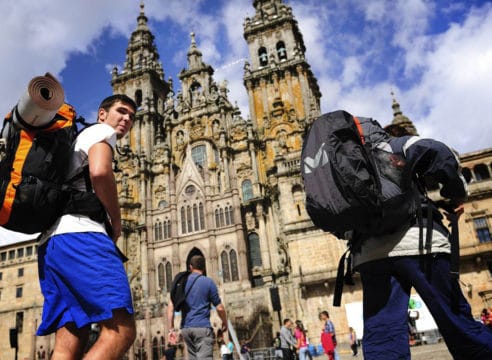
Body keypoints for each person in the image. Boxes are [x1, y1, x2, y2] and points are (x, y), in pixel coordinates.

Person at [352, 127, 492, 359]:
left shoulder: (356, 161)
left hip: (370, 255)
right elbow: (440, 153)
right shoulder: (397, 144)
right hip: (420, 244)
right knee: (458, 323)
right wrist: (455, 193)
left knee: (383, 336)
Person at [36, 94, 137, 359]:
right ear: (102, 114)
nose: (126, 119)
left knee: (68, 341)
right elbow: (101, 172)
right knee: (120, 331)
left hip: (52, 245)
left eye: (132, 117)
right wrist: (116, 220)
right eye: (121, 111)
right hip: (82, 237)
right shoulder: (101, 132)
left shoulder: (75, 142)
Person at [167, 255, 228, 360]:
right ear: (204, 268)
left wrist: (171, 329)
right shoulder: (209, 282)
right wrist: (224, 321)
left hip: (186, 329)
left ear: (190, 267)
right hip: (202, 328)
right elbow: (220, 308)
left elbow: (170, 307)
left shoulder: (182, 283)